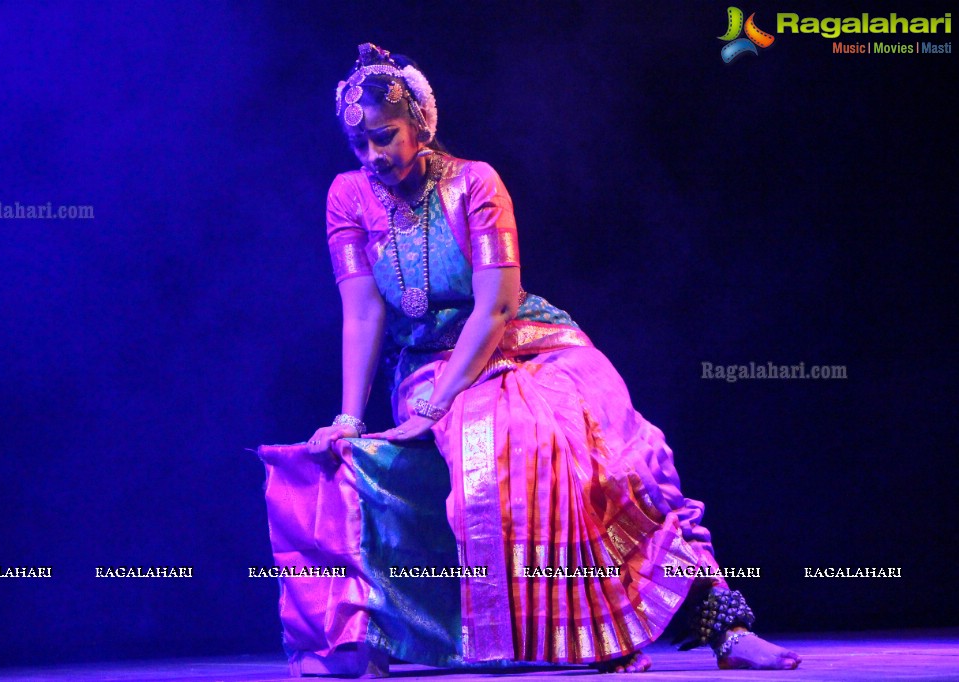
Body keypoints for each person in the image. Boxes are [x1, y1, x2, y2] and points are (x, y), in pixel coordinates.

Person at [295, 42, 801, 675]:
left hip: (524, 342)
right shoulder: (347, 199)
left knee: (614, 444)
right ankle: (593, 637)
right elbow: (363, 314)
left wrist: (439, 404)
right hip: (430, 362)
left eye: (384, 137)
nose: (373, 156)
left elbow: (498, 310)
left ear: (421, 123)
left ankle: (721, 620)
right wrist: (350, 419)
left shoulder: (475, 183)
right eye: (359, 144)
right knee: (523, 439)